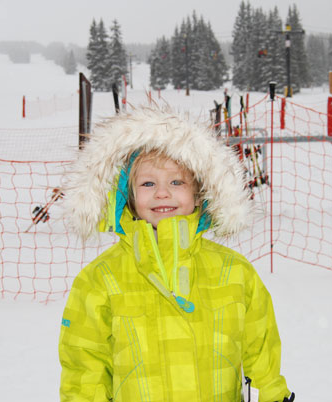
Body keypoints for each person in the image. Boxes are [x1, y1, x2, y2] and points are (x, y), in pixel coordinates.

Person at [59, 107, 294, 402]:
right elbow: (84, 370)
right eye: (147, 183)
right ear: (126, 197)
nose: (162, 193)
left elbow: (262, 351)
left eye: (176, 182)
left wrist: (272, 393)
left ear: (199, 192)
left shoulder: (234, 272)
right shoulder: (99, 280)